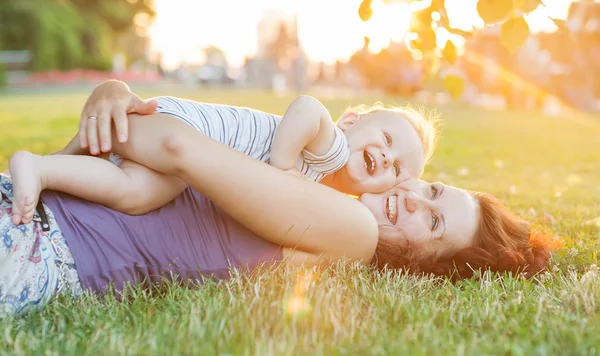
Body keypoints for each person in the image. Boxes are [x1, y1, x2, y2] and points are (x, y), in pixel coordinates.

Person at [0, 85, 554, 316]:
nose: (411, 196)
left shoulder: (350, 232)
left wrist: (116, 108)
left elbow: (175, 144)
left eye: (432, 224)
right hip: (35, 205)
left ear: (420, 266)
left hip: (42, 248)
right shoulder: (321, 173)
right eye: (432, 190)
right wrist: (112, 96)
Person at [8, 81, 438, 225]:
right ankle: (47, 170)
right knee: (136, 185)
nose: (385, 157)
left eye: (396, 168)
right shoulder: (333, 150)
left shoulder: (329, 189)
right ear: (351, 122)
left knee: (134, 193)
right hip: (188, 130)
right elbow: (307, 107)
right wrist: (280, 168)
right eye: (385, 139)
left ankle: (41, 169)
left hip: (187, 155)